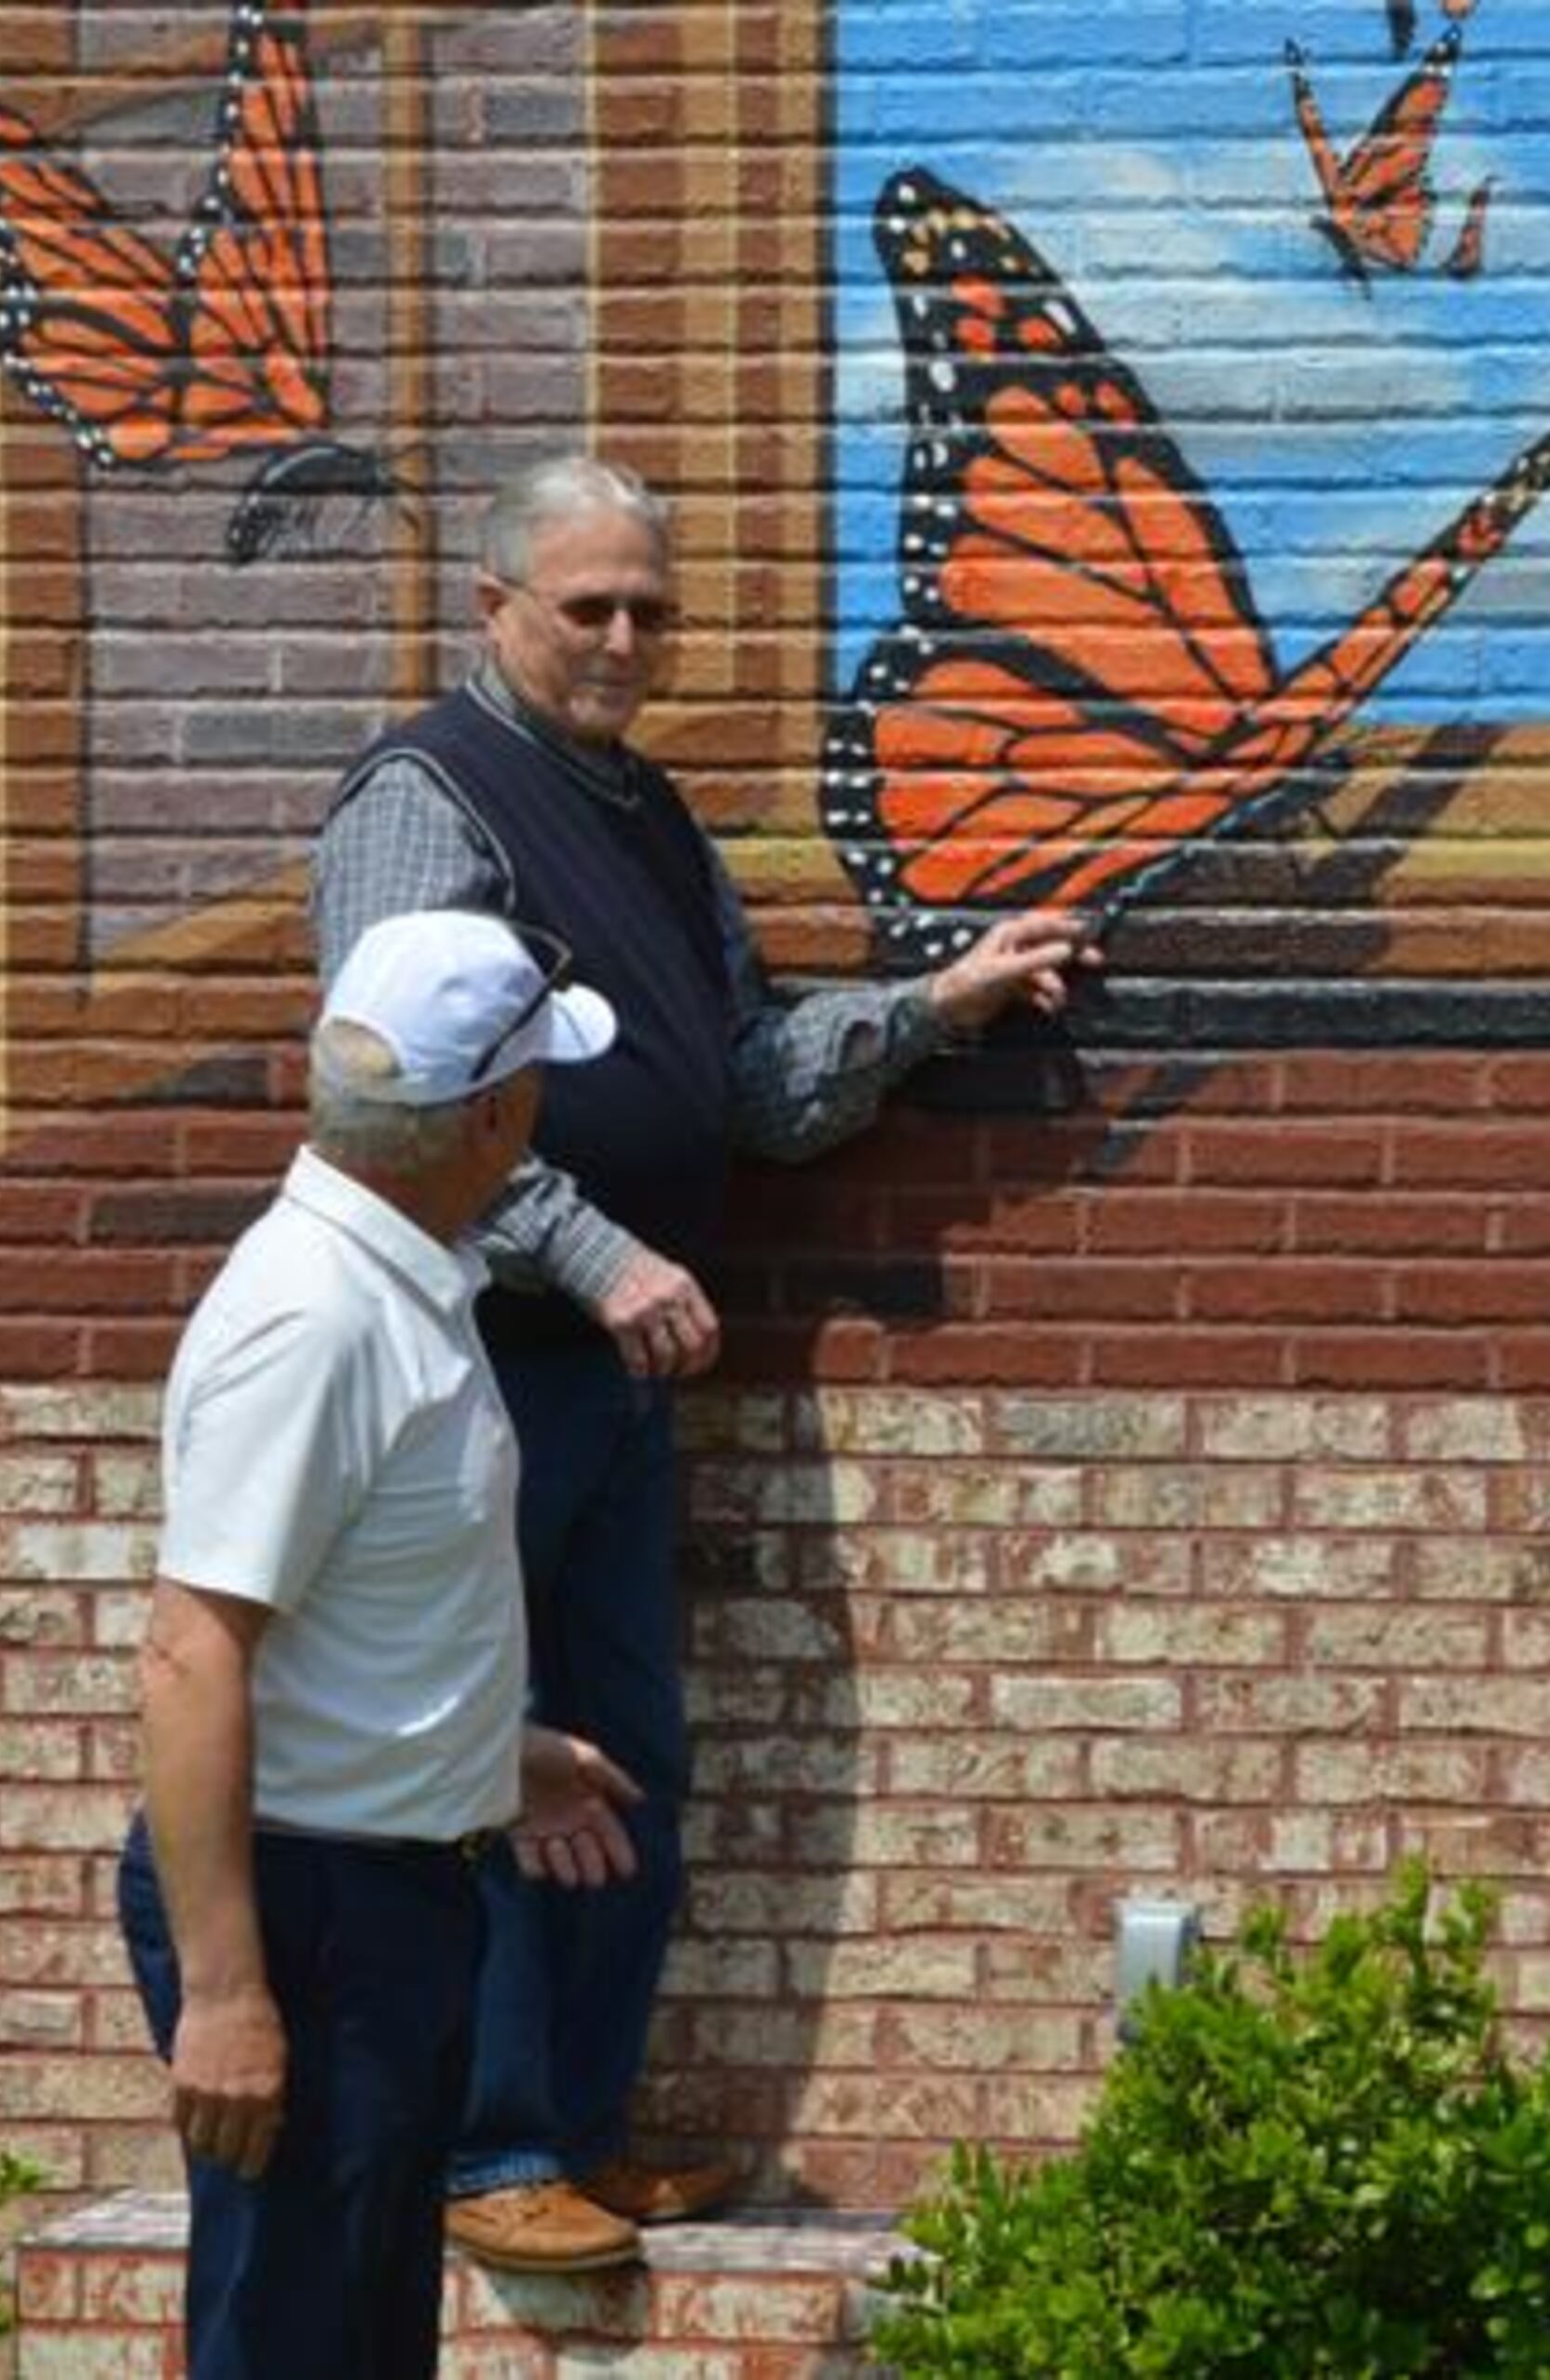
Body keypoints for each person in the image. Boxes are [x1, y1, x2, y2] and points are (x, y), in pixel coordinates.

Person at [311, 451, 1093, 2273]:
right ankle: (484, 2144)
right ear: (495, 609)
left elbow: (738, 1076)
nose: (623, 636)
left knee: (623, 1749)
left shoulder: (651, 820)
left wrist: (930, 1008)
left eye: (650, 608)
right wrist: (592, 1250)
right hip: (468, 1361)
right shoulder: (436, 798)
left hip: (606, 1384)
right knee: (485, 1756)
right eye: (586, 605)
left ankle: (571, 2124)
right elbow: (374, 1101)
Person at [117, 907, 648, 2379]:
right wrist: (230, 1992)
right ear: (494, 1114)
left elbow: (346, 1609)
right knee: (296, 2335)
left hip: (378, 1896)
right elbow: (190, 1650)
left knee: (353, 2332)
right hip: (308, 1909)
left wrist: (492, 1754)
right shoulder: (318, 1315)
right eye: (537, 1083)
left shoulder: (395, 1276)